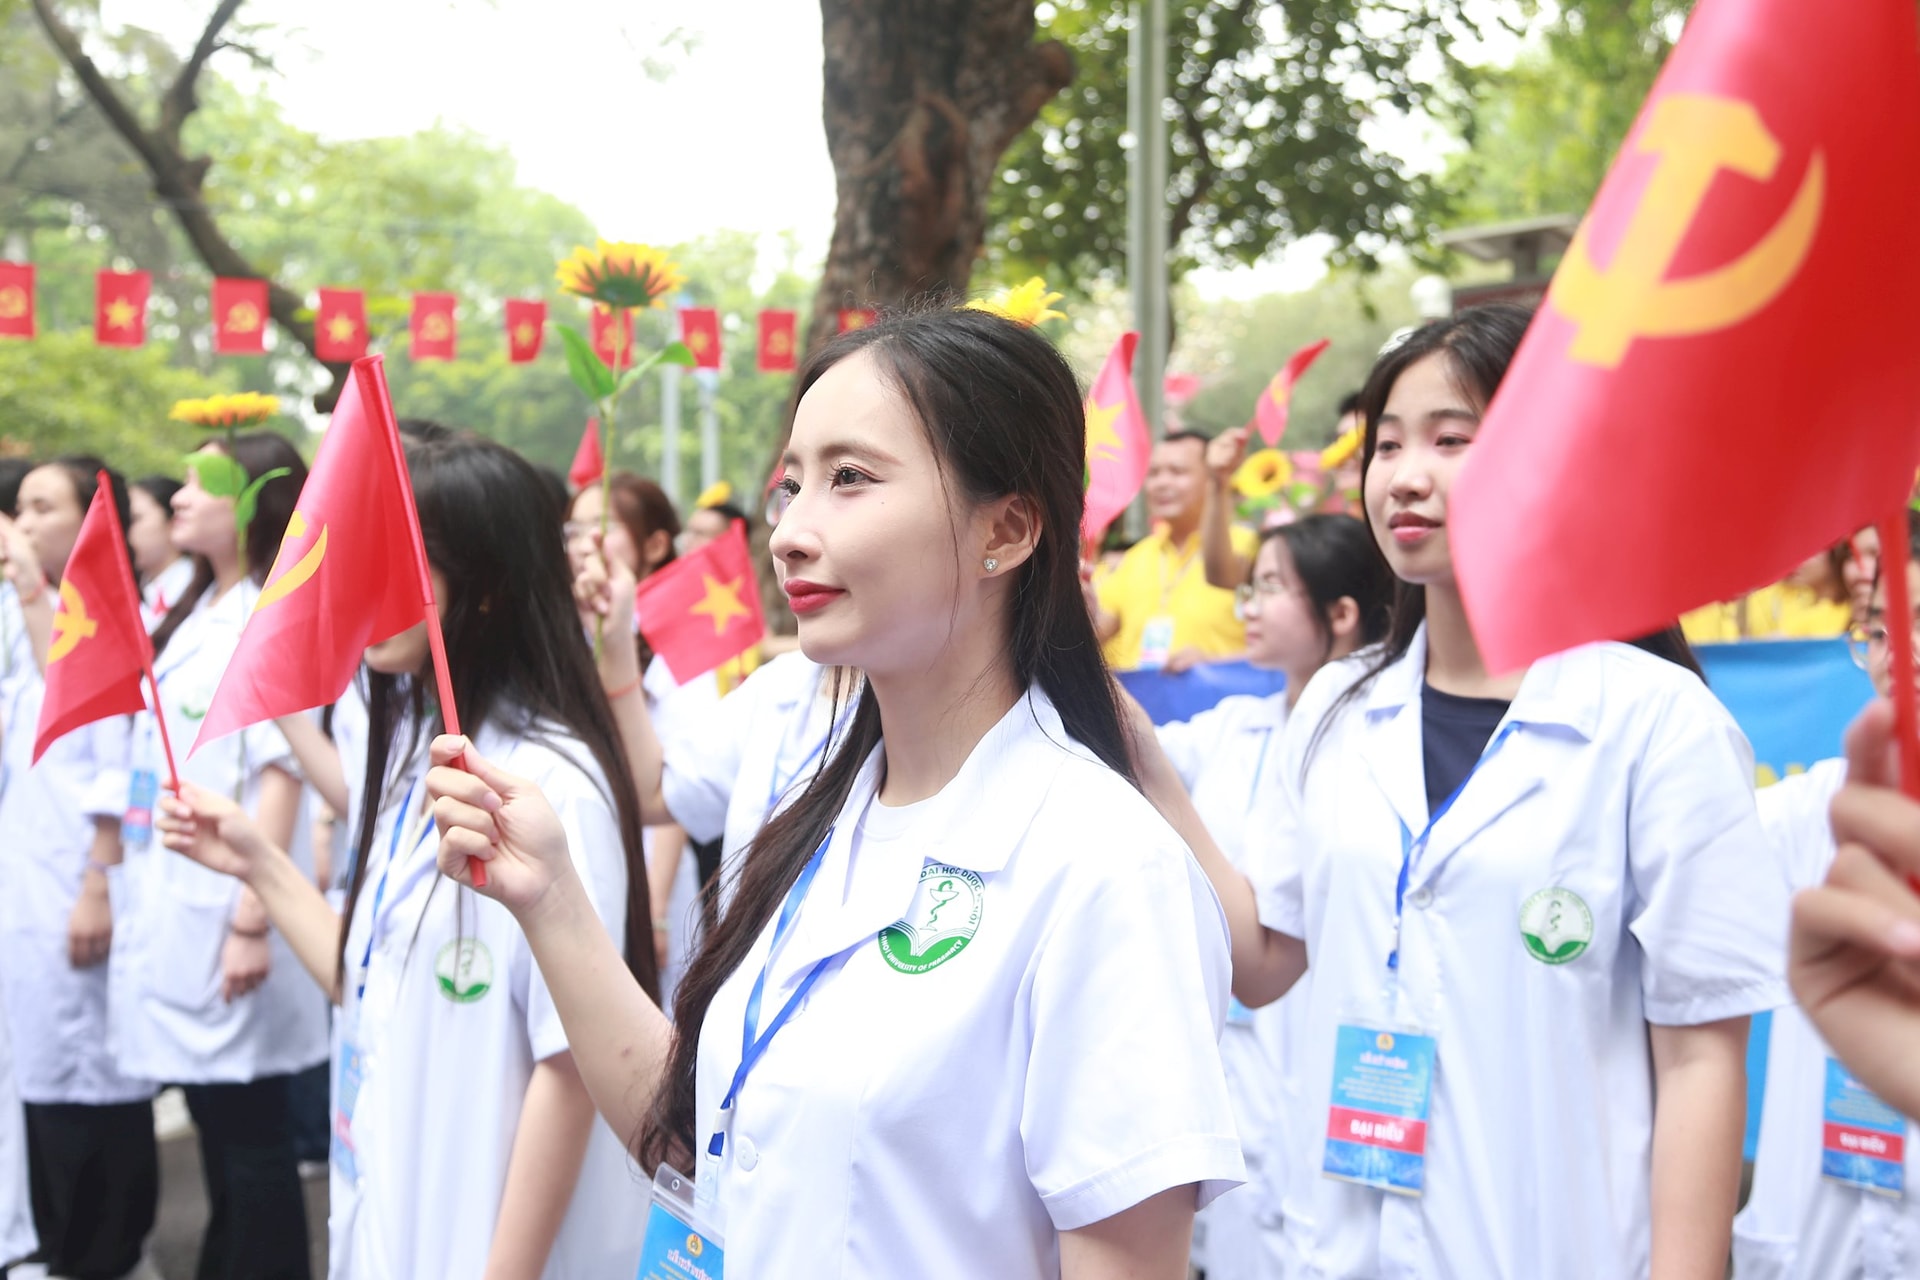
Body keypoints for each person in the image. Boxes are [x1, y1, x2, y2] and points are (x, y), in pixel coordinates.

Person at [425, 305, 1243, 1277]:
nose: (790, 533)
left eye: (850, 478)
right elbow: (696, 1135)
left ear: (1009, 527)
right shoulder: (818, 822)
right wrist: (552, 897)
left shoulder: (1106, 865)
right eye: (791, 485)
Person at [1158, 304, 1788, 1280]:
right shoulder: (1336, 706)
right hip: (1338, 1253)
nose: (1406, 475)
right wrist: (1149, 768)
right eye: (1387, 445)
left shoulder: (1656, 722)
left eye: (1452, 440)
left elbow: (1702, 1057)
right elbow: (1266, 962)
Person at [158, 432, 654, 1280]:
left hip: (479, 1244)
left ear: (486, 587)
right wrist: (256, 860)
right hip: (388, 1215)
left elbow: (571, 1071)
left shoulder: (547, 787)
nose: (361, 587)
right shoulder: (419, 759)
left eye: (398, 562)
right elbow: (364, 980)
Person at [1154, 514, 1390, 1280]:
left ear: (1341, 613)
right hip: (1236, 1050)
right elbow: (1131, 750)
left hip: (1336, 1044)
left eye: (1270, 588)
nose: (1248, 607)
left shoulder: (1381, 741)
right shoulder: (1237, 729)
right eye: (1248, 589)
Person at [110, 434, 324, 1280]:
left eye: (201, 483)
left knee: (251, 1135)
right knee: (220, 1127)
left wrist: (250, 921)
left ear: (252, 503)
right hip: (177, 895)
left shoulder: (270, 615)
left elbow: (281, 774)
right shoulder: (200, 610)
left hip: (231, 911)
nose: (179, 497)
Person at [1735, 519, 1920, 1279]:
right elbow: (1675, 847)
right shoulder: (1808, 811)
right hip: (1814, 1247)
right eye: (1879, 631)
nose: (1899, 654)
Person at [0, 459, 159, 1280]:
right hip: (32, 878)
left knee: (93, 1074)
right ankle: (64, 1248)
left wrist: (99, 879)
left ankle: (108, 1253)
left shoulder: (112, 619)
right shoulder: (46, 613)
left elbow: (122, 764)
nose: (24, 522)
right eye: (20, 508)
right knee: (46, 1069)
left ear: (91, 519)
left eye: (42, 507)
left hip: (81, 878)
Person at [568, 472, 713, 1003]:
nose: (585, 543)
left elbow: (671, 787)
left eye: (602, 526)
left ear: (654, 545)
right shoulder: (573, 627)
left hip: (653, 875)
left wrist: (653, 910)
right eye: (573, 529)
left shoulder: (680, 637)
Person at [1088, 430, 1255, 672]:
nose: (1161, 483)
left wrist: (1214, 665)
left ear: (1211, 476)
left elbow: (1282, 648)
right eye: (1154, 473)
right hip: (1141, 695)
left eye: (1177, 472)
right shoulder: (1136, 557)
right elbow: (1093, 635)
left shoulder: (1247, 548)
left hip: (1227, 695)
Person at [127, 475, 192, 622]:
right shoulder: (131, 590)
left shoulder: (196, 587)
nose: (125, 530)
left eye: (135, 519)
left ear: (174, 521)